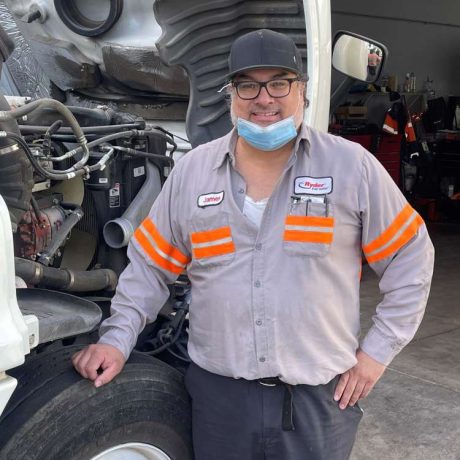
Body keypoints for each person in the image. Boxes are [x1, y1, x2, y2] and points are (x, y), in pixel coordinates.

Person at [73, 29, 434, 459]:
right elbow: (150, 267)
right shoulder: (193, 173)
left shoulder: (350, 167)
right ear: (231, 94)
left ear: (302, 90)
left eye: (279, 82)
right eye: (248, 84)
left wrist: (375, 355)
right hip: (220, 401)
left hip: (318, 401)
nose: (264, 98)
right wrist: (116, 338)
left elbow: (410, 258)